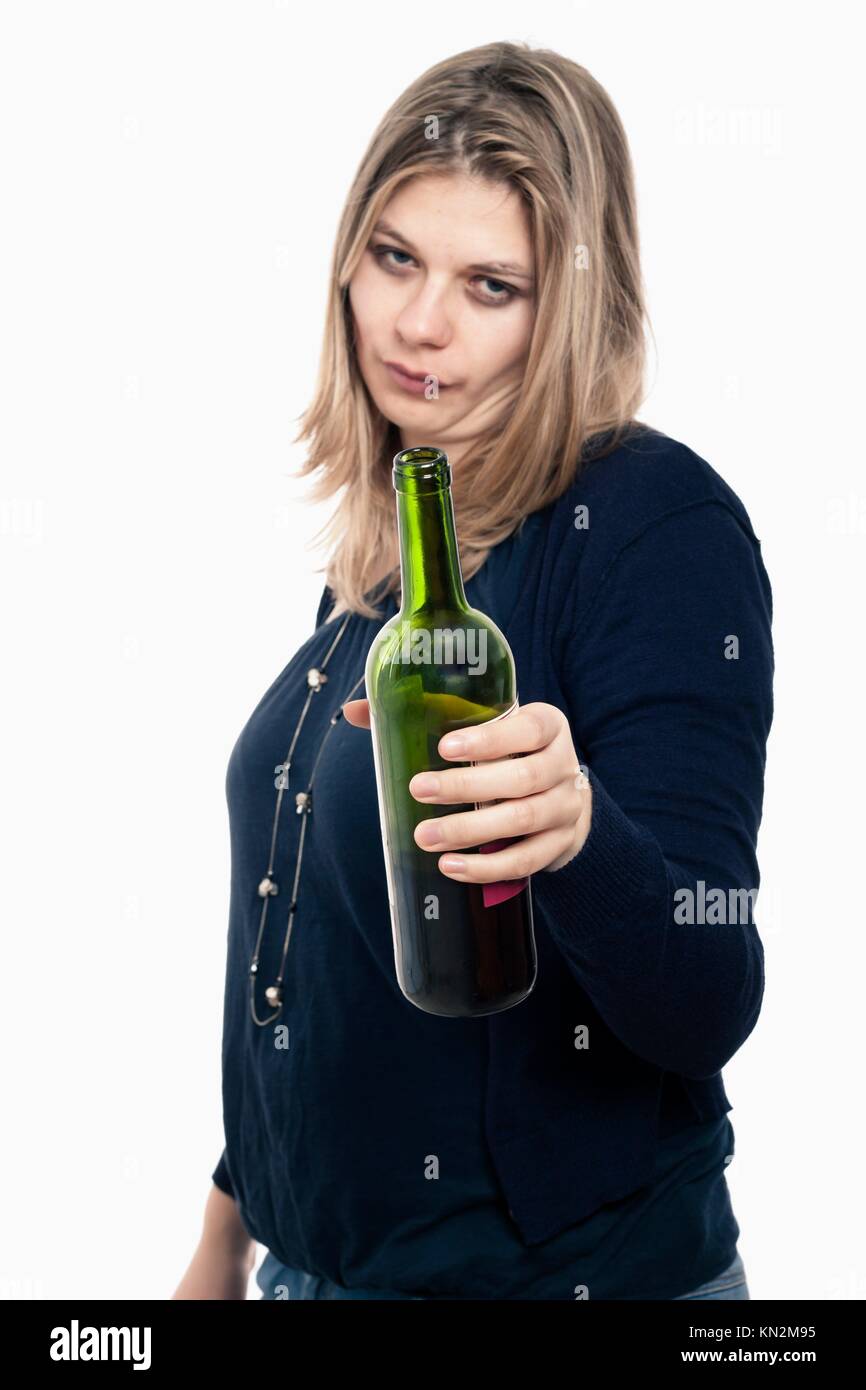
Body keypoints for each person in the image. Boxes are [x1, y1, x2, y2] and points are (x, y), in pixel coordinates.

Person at [173, 40, 772, 1302]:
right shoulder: (389, 564)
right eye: (395, 256)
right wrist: (228, 1236)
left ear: (564, 306)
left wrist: (579, 834)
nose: (419, 322)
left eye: (488, 284)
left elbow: (709, 984)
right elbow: (314, 953)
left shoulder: (653, 525)